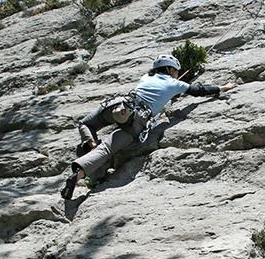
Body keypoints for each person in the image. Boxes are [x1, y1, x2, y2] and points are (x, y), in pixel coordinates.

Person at [60, 54, 237, 199]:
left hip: (118, 105)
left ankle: (90, 148)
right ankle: (79, 174)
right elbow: (199, 91)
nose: (177, 74)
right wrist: (223, 87)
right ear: (170, 69)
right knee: (107, 149)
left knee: (86, 124)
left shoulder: (146, 77)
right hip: (138, 118)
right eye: (175, 71)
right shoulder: (176, 84)